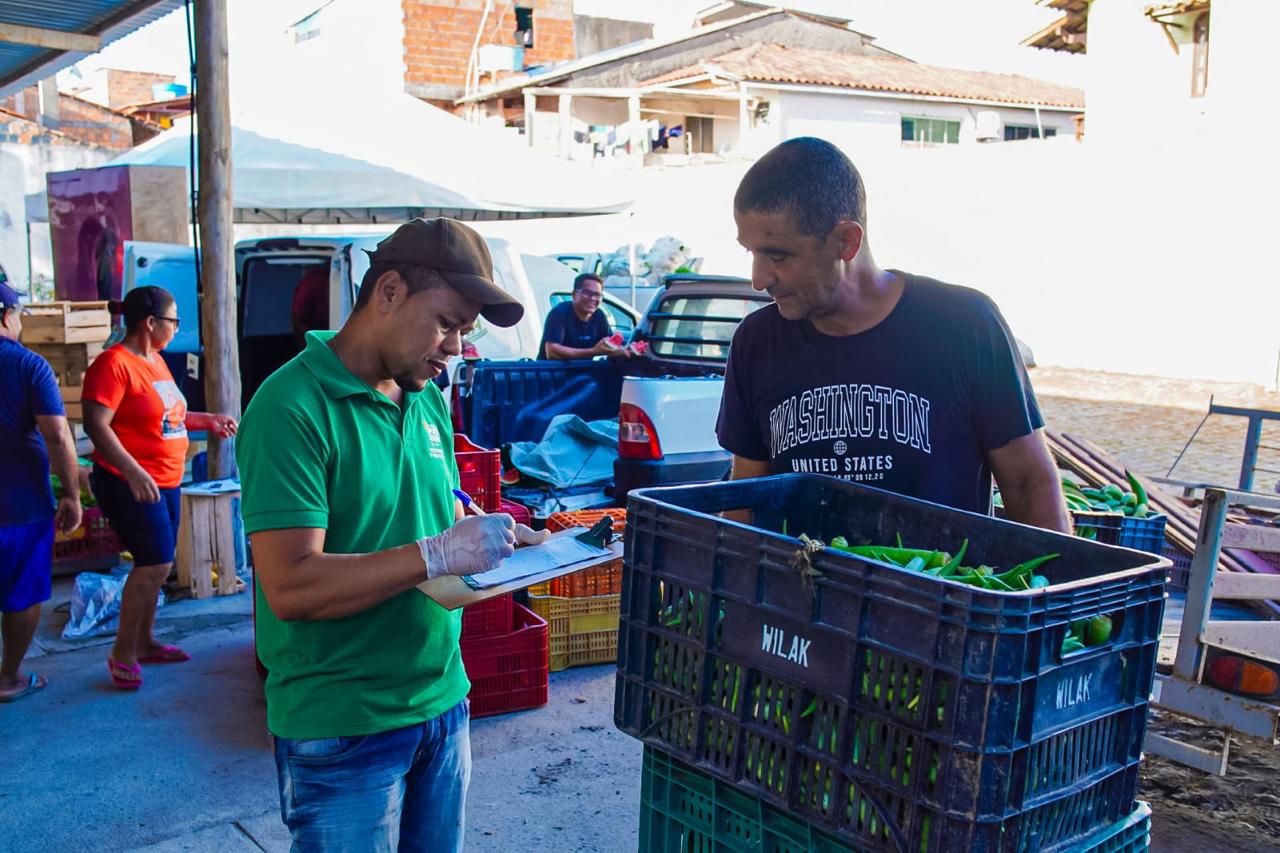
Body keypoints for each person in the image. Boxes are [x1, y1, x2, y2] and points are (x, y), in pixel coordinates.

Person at [235, 218, 547, 852]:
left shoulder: (423, 395)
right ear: (389, 291)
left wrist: (483, 535)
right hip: (343, 724)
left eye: (465, 332)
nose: (455, 347)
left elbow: (429, 513)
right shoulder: (290, 407)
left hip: (443, 698)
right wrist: (436, 552)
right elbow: (292, 586)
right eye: (447, 323)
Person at [716, 137, 1067, 530]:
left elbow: (1028, 485)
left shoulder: (965, 325)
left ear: (846, 242)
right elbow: (745, 501)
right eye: (751, 253)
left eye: (778, 256)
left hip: (936, 572)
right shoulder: (755, 342)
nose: (759, 279)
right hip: (797, 571)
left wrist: (1064, 572)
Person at [80, 286, 238, 690]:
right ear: (150, 323)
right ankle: (123, 652)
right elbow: (96, 424)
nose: (176, 328)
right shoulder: (114, 364)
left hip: (165, 479)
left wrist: (208, 421)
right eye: (173, 321)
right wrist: (132, 471)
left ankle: (145, 641)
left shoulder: (156, 361)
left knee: (161, 563)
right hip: (128, 481)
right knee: (152, 563)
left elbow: (170, 417)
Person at [0, 282, 82, 703]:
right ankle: (8, 678)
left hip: (19, 503)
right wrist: (71, 493)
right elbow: (58, 436)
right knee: (21, 593)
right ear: (6, 316)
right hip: (21, 505)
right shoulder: (29, 366)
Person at [539, 272, 630, 360]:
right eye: (587, 293)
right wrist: (593, 351)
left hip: (583, 369)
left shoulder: (599, 315)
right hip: (552, 370)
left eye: (597, 294)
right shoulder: (559, 314)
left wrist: (627, 351)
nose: (592, 298)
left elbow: (609, 348)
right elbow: (552, 353)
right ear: (574, 295)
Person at [290, 265, 330, 348]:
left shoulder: (345, 281)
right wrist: (314, 339)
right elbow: (296, 318)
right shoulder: (310, 285)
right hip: (311, 326)